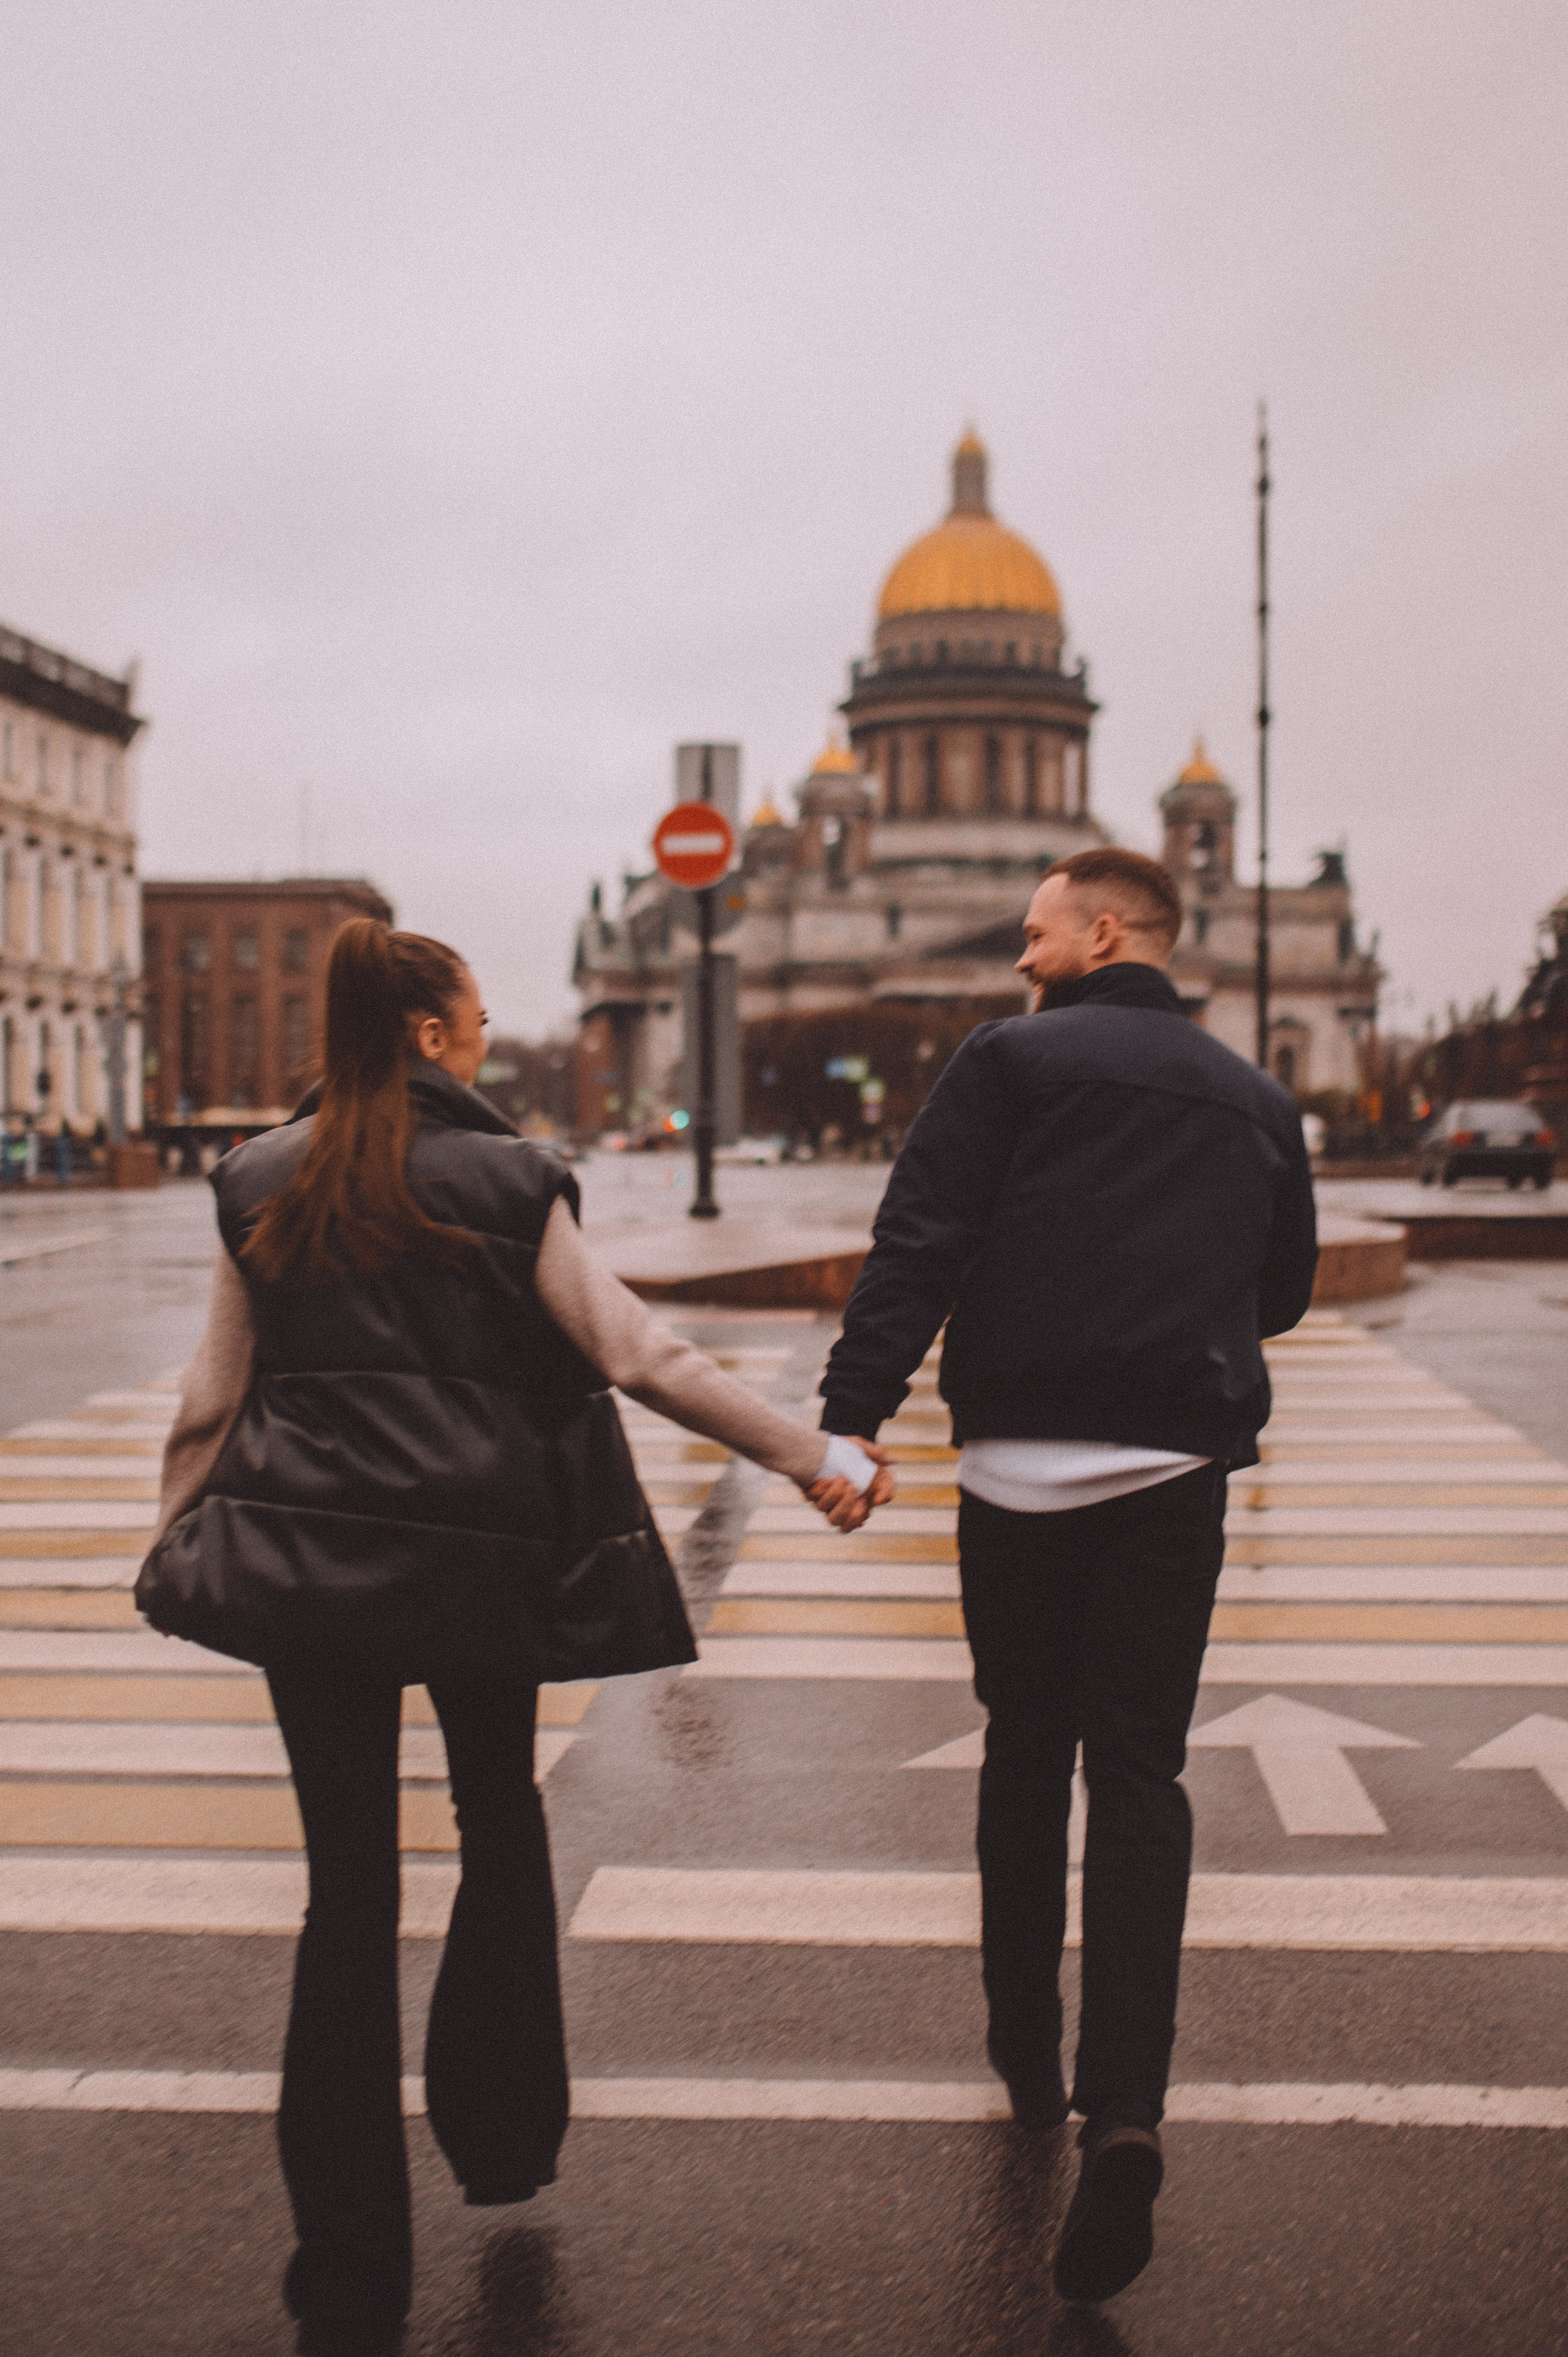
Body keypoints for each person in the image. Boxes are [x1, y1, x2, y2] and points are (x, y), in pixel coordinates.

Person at [142, 921, 892, 2357]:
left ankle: (348, 2267)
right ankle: (498, 2134)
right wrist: (810, 1457)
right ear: (428, 1034)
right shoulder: (507, 1178)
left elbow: (209, 1395)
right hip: (488, 1569)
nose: (487, 1039)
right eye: (476, 1019)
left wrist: (181, 1544)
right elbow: (635, 1355)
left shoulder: (255, 1178)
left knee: (343, 1901)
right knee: (497, 1818)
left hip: (308, 1579)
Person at [818, 847, 1316, 2305]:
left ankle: (1022, 2046)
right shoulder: (1255, 1096)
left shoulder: (1007, 1063)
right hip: (1172, 1471)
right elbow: (1277, 1290)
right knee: (1144, 1776)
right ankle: (1123, 2114)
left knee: (1024, 1749)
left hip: (1017, 1467)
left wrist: (851, 1417)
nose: (1018, 950)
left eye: (1034, 930)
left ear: (1104, 932)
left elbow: (919, 1242)